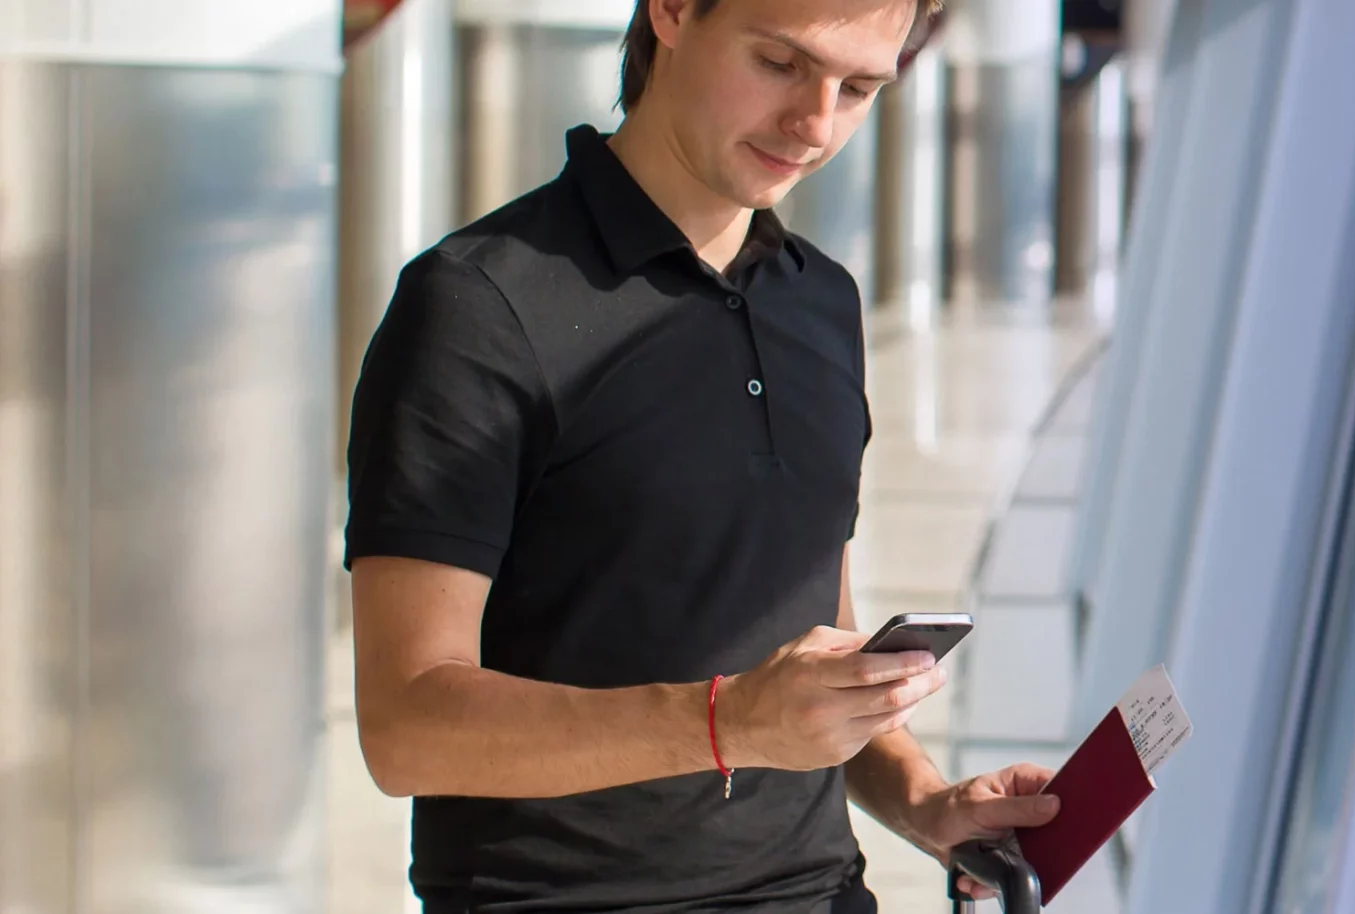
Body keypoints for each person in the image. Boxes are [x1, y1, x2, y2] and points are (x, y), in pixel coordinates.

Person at [341, 0, 1056, 910]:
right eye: (780, 64)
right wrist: (729, 723)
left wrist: (924, 799)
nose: (817, 123)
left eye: (860, 88)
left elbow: (810, 642)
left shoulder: (822, 303)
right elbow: (406, 727)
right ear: (673, 10)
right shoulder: (476, 306)